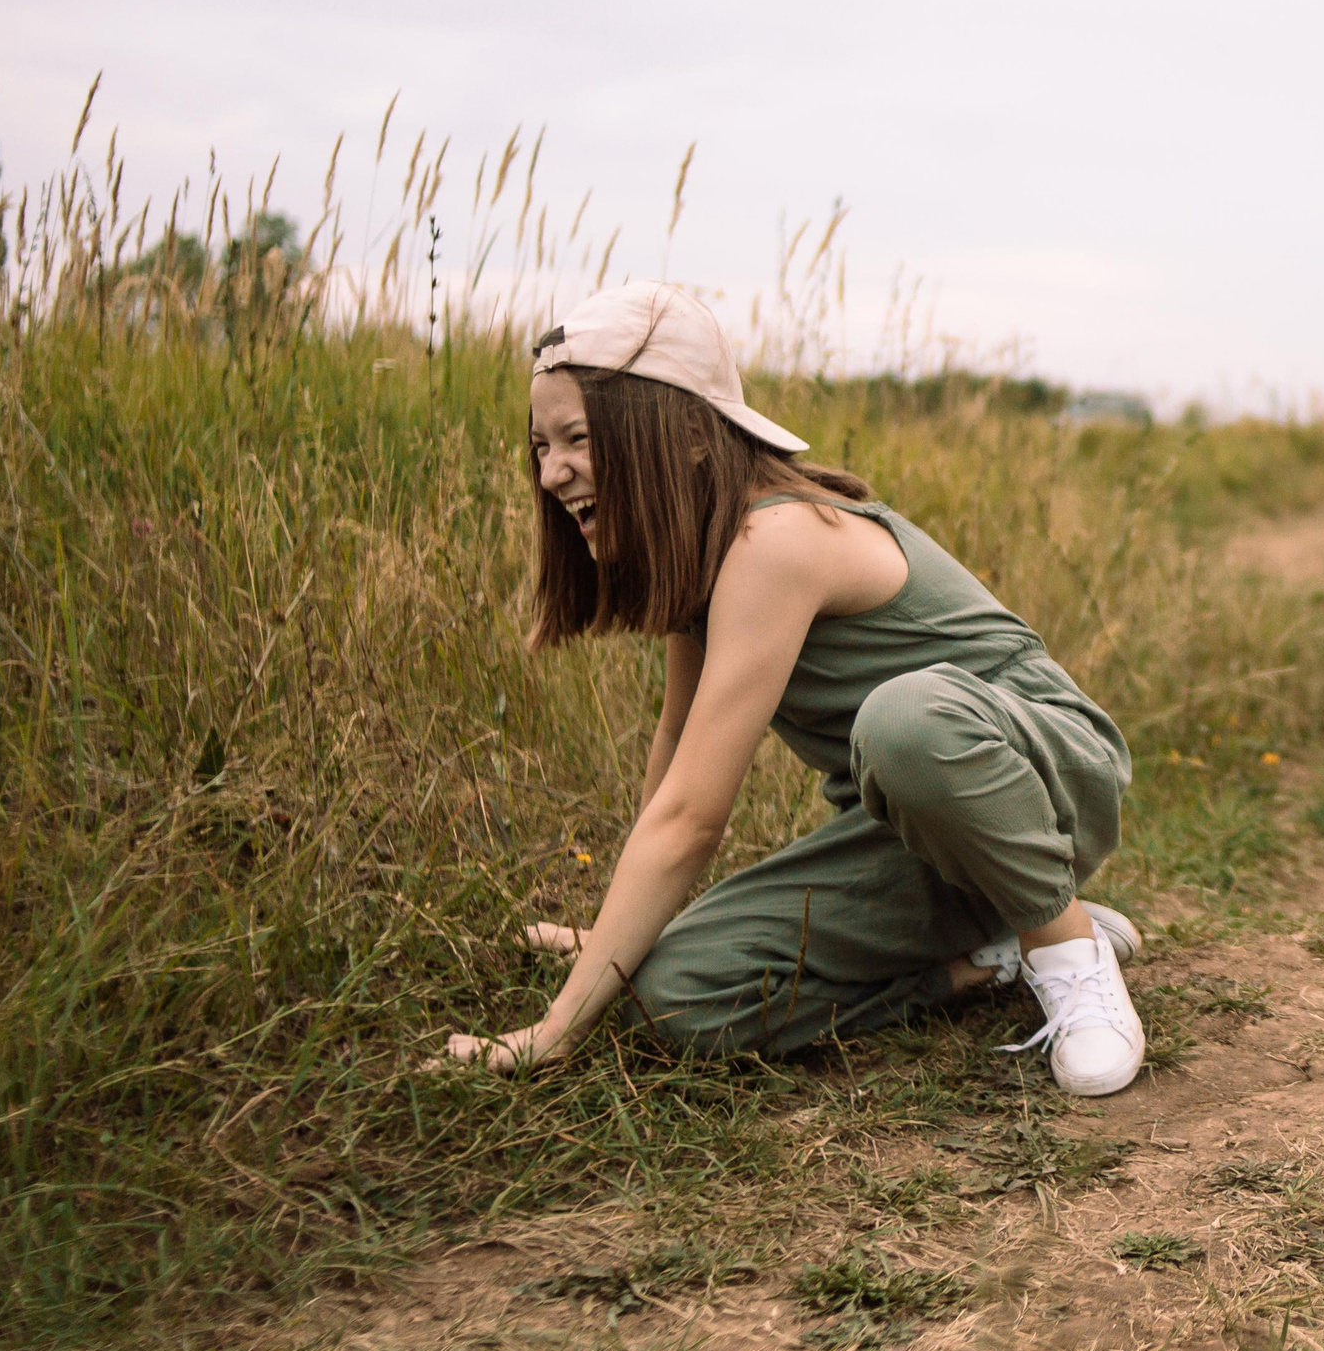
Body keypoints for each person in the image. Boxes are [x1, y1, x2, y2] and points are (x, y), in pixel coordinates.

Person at [435, 282, 1147, 1098]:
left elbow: (695, 820)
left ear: (692, 435)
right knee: (668, 997)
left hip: (1050, 782)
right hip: (913, 837)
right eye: (540, 445)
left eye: (578, 438)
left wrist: (552, 1031)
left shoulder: (776, 537)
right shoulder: (699, 557)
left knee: (906, 722)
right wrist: (612, 944)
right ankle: (981, 960)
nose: (552, 471)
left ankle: (1065, 947)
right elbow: (676, 762)